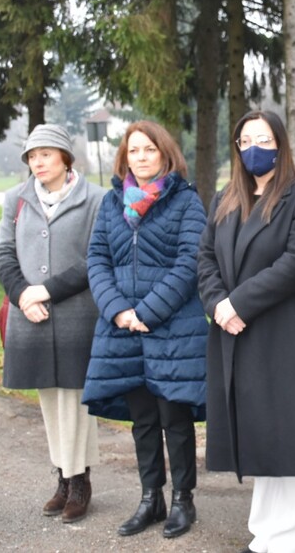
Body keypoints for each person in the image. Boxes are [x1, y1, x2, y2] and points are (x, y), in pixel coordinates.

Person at [198, 110, 295, 553]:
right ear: (237, 147)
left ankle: (290, 543)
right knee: (263, 436)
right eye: (245, 139)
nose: (255, 146)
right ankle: (265, 537)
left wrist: (238, 303)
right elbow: (205, 260)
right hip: (236, 332)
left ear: (280, 143)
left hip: (287, 337)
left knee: (291, 438)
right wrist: (219, 304)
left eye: (264, 138)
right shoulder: (225, 198)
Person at [81, 120, 208, 539]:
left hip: (171, 328)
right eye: (133, 151)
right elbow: (97, 259)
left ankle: (182, 501)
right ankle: (150, 498)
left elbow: (191, 262)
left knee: (174, 416)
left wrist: (148, 312)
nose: (141, 157)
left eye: (149, 150)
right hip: (122, 329)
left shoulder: (186, 201)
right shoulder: (112, 203)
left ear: (164, 153)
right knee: (143, 419)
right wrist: (118, 310)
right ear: (124, 158)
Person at [0, 124, 105, 523]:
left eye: (45, 154)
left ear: (64, 157)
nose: (37, 162)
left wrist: (47, 290)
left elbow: (97, 258)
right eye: (31, 156)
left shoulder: (96, 199)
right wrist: (23, 293)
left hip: (77, 314)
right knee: (50, 401)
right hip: (31, 316)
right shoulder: (16, 199)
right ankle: (62, 476)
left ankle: (80, 482)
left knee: (76, 402)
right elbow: (3, 251)